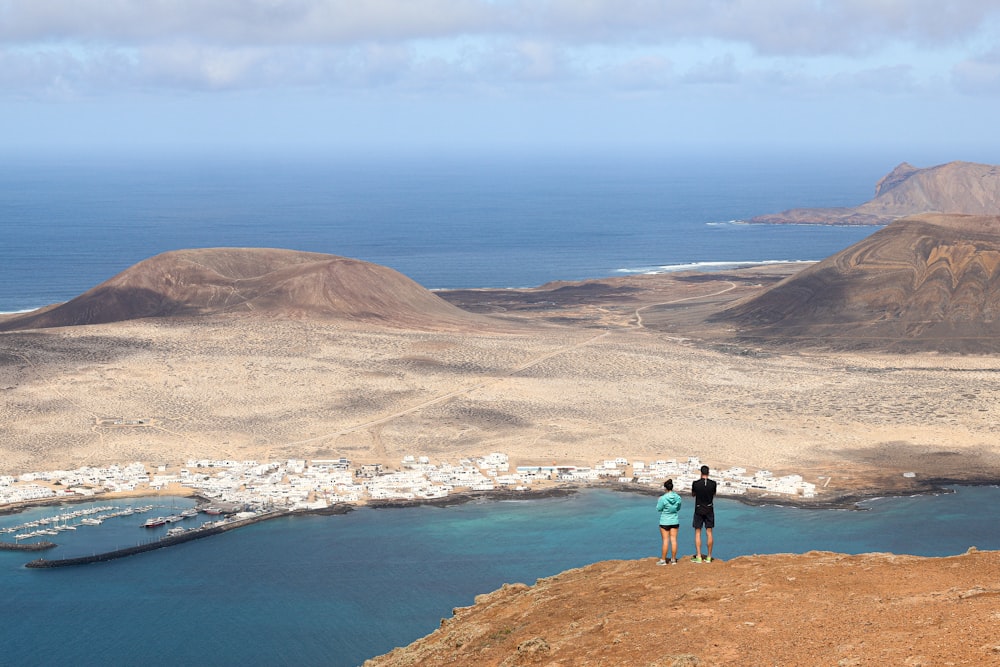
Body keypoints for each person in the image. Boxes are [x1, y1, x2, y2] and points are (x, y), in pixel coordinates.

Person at [691, 465, 717, 563]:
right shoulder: (713, 484)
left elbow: (693, 494)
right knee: (709, 532)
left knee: (698, 532)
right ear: (708, 472)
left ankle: (698, 556)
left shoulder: (696, 483)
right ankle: (709, 557)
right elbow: (713, 494)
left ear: (701, 473)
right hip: (709, 509)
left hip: (698, 509)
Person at [656, 479, 682, 565]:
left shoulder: (663, 498)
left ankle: (663, 560)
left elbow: (658, 509)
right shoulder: (678, 497)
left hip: (664, 521)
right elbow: (678, 508)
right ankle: (673, 559)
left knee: (665, 540)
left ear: (665, 488)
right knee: (674, 540)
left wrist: (659, 501)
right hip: (674, 520)